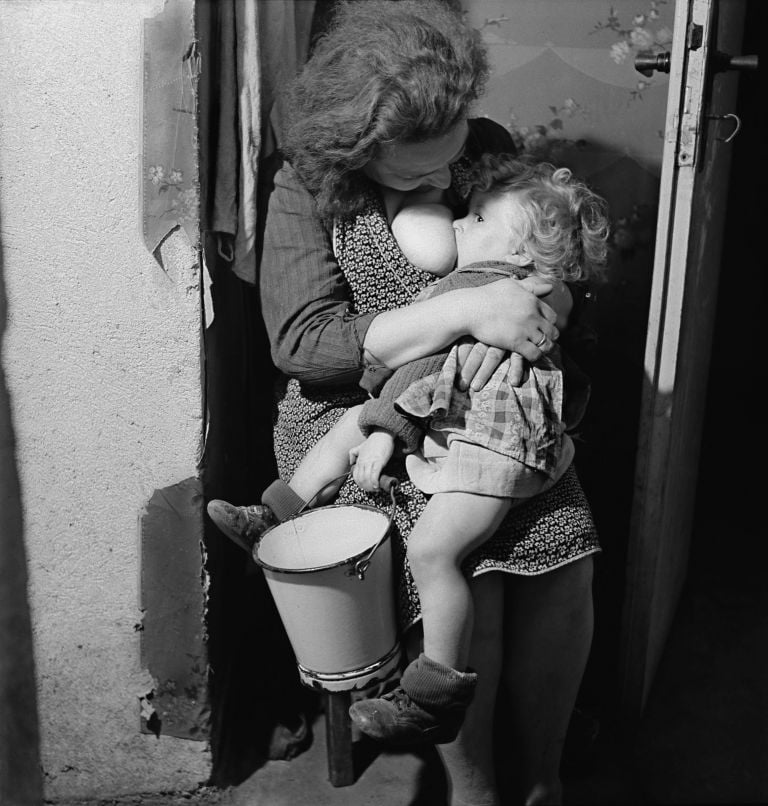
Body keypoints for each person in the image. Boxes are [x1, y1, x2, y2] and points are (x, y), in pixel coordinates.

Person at [212, 3, 601, 804]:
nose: (442, 185)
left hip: (487, 401)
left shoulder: (484, 148)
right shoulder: (305, 190)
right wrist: (460, 311)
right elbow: (306, 346)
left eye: (449, 159)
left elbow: (551, 260)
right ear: (358, 149)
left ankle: (547, 774)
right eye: (413, 174)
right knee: (474, 566)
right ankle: (477, 787)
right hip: (354, 413)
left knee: (566, 550)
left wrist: (545, 304)